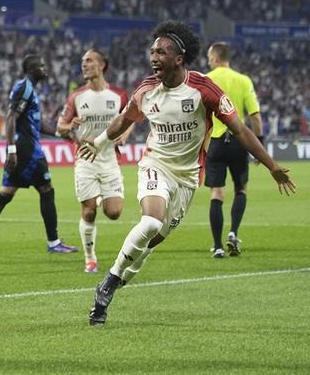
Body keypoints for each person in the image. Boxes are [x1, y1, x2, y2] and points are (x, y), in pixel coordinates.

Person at [78, 21, 295, 326]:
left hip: (188, 178)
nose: (154, 56)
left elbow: (241, 130)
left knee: (150, 243)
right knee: (150, 221)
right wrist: (99, 143)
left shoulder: (204, 90)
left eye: (161, 51)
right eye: (152, 50)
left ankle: (114, 285)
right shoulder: (146, 90)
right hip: (155, 165)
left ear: (178, 58)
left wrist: (272, 167)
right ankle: (109, 283)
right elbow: (122, 121)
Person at [0, 54, 78, 255]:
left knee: (6, 193)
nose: (45, 69)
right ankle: (53, 242)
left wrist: (60, 134)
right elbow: (10, 117)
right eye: (41, 66)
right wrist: (11, 150)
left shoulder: (30, 89)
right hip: (27, 150)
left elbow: (39, 123)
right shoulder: (24, 87)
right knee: (46, 189)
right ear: (31, 69)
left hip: (22, 148)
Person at [57, 49, 131, 273]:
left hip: (109, 160)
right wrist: (70, 126)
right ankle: (90, 258)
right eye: (82, 62)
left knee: (114, 212)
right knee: (88, 211)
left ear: (101, 65)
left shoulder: (118, 95)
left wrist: (125, 134)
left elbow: (132, 116)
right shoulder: (76, 97)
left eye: (88, 61)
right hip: (86, 159)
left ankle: (98, 198)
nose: (84, 65)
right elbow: (61, 126)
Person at [204, 42, 262, 258]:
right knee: (241, 189)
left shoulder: (206, 79)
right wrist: (258, 143)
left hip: (215, 143)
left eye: (209, 57)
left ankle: (218, 246)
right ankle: (233, 233)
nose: (208, 60)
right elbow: (255, 115)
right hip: (239, 141)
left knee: (217, 193)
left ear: (216, 58)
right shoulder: (243, 80)